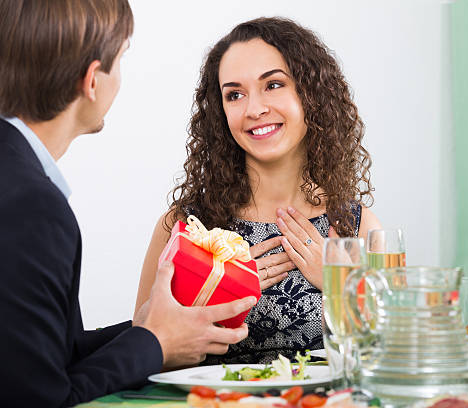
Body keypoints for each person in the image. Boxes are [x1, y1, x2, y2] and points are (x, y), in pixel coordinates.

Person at [0, 1, 256, 406]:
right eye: (119, 60)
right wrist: (156, 343)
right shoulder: (30, 203)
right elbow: (39, 397)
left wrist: (149, 328)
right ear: (91, 81)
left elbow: (42, 359)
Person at [135, 17, 381, 364]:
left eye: (274, 85)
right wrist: (203, 294)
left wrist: (342, 285)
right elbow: (141, 355)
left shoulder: (357, 227)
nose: (254, 109)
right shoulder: (186, 228)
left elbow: (391, 358)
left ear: (312, 94)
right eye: (235, 95)